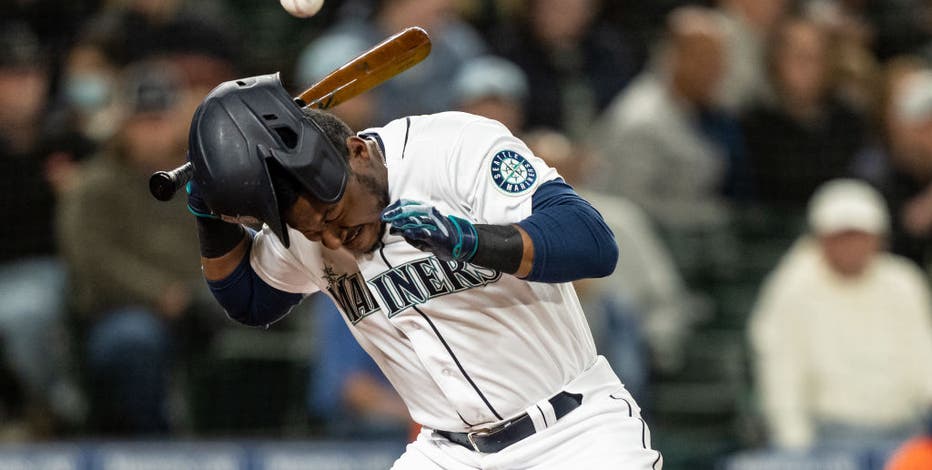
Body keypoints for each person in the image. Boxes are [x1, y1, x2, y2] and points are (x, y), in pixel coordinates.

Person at [180, 73, 662, 468]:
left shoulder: (451, 149)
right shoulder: (307, 222)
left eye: (333, 216)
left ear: (358, 151)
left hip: (573, 432)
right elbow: (250, 299)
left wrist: (468, 239)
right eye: (312, 232)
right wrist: (207, 213)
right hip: (448, 452)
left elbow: (592, 243)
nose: (330, 238)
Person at [749, 179, 932, 453]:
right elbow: (781, 371)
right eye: (841, 237)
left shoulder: (903, 281)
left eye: (860, 236)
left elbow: (923, 355)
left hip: (907, 432)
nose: (852, 246)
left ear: (879, 239)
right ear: (821, 239)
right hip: (830, 439)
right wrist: (795, 442)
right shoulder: (793, 288)